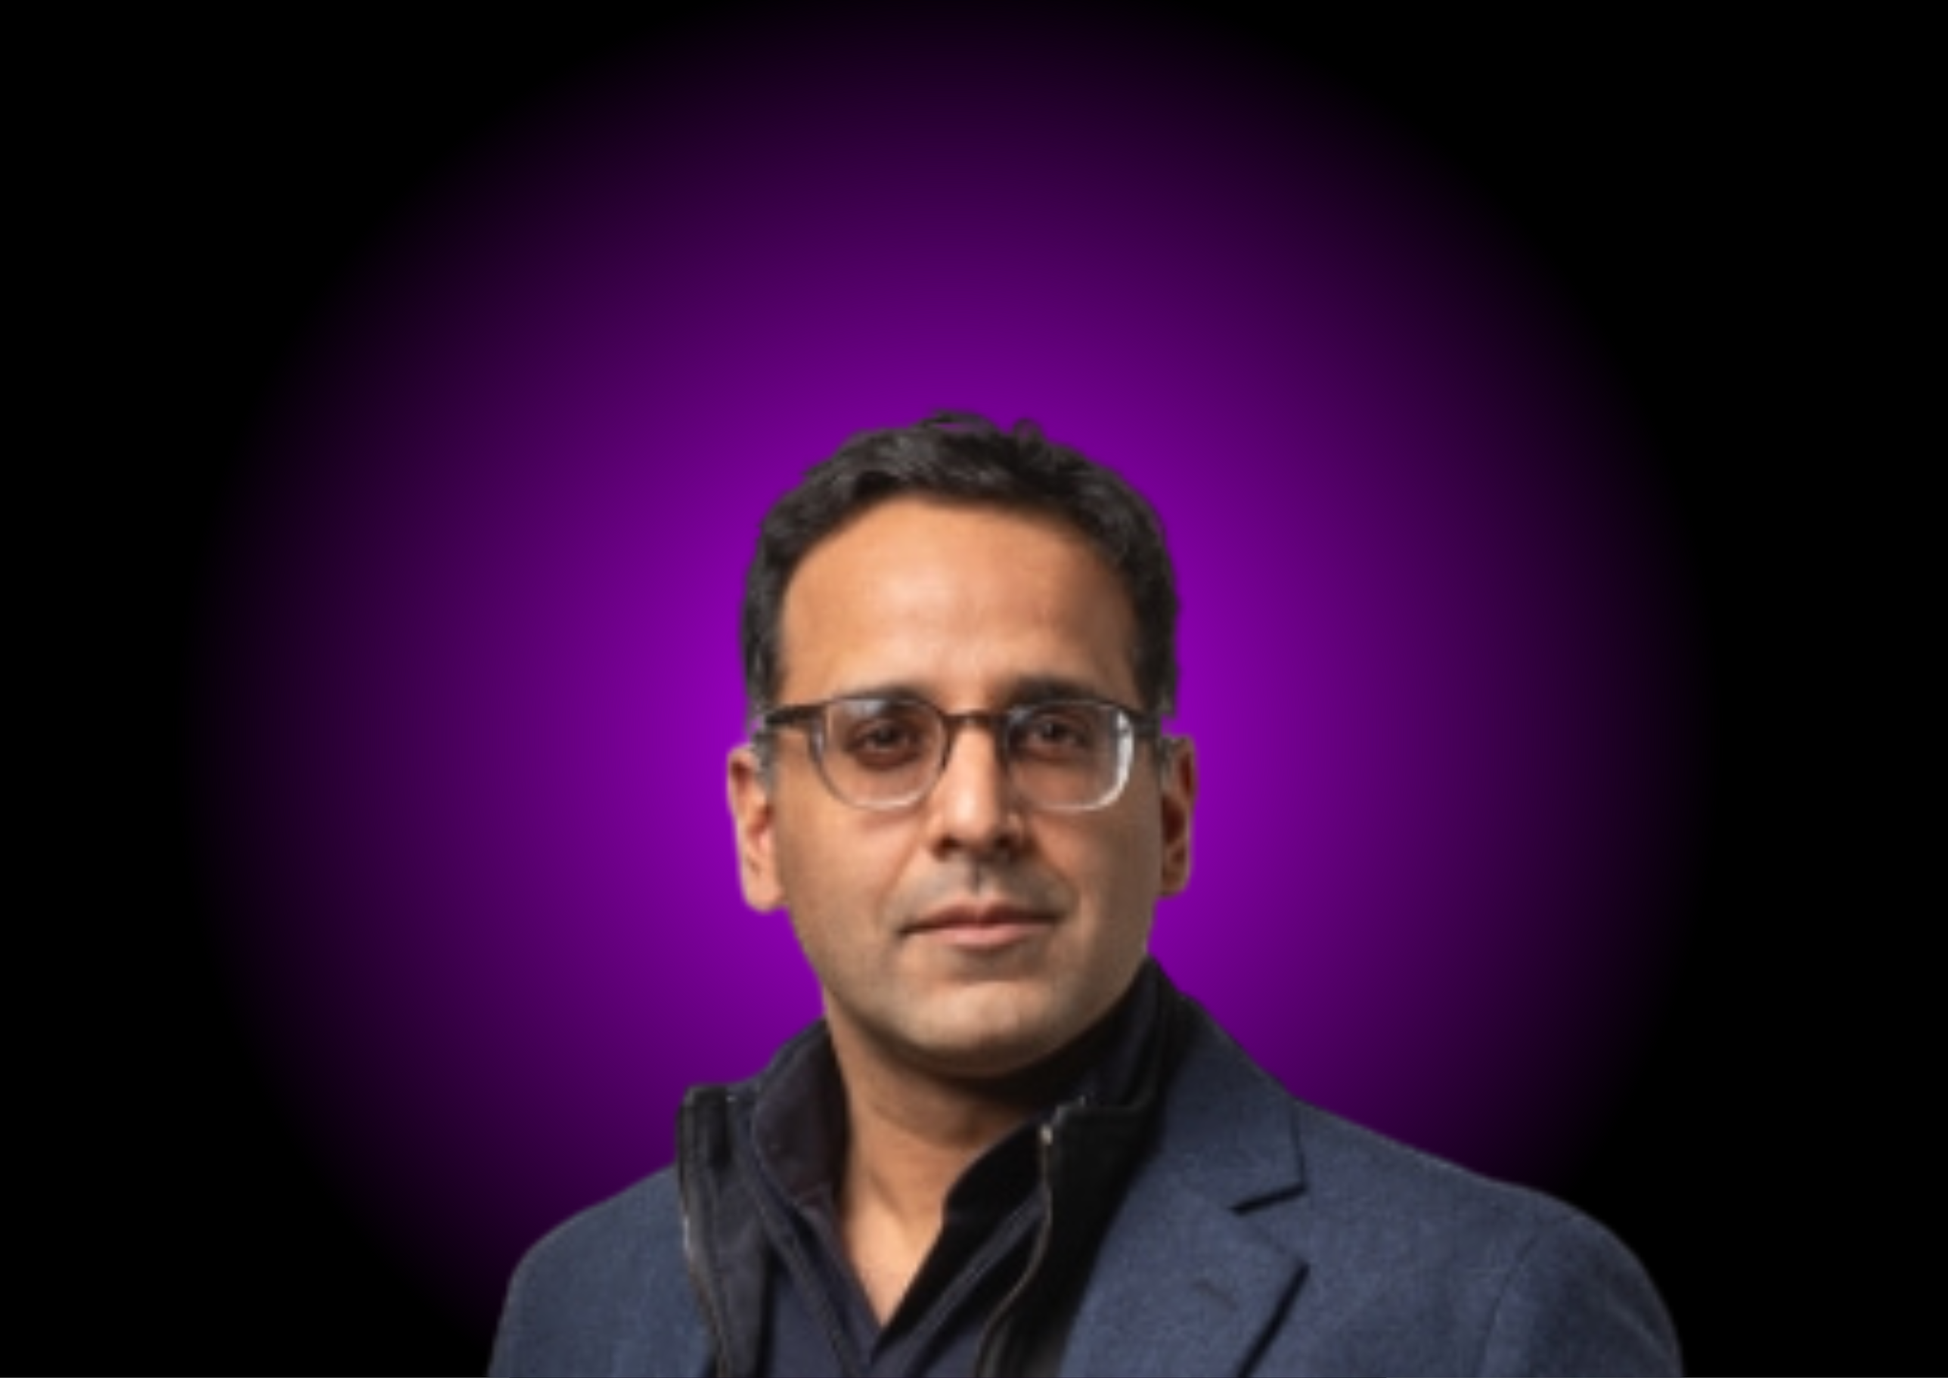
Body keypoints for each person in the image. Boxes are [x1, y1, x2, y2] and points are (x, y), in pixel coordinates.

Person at [489, 413, 1680, 1377]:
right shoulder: (576, 1300)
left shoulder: (1494, 1313)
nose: (974, 814)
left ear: (1169, 816)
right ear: (760, 827)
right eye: (883, 735)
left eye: (1054, 730)